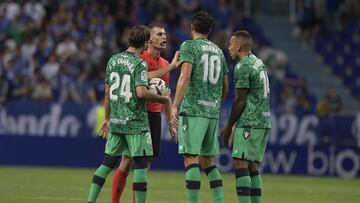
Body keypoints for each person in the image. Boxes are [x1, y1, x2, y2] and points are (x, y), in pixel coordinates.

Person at [87, 25, 170, 203]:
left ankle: (90, 200)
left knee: (106, 164)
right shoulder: (139, 63)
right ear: (147, 42)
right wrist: (163, 99)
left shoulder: (113, 60)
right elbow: (141, 93)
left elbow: (108, 94)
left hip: (117, 122)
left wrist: (107, 119)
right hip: (135, 123)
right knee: (141, 166)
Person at [111, 23, 179, 203]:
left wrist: (170, 118)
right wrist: (171, 67)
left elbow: (164, 95)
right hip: (137, 115)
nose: (164, 37)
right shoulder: (141, 58)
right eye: (159, 34)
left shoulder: (164, 63)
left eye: (165, 34)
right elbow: (145, 78)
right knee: (126, 162)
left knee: (145, 164)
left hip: (154, 115)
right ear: (149, 39)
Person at [171, 11, 229, 203]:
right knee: (208, 162)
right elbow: (226, 86)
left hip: (193, 110)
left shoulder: (189, 46)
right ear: (210, 31)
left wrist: (174, 105)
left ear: (192, 27)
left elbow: (185, 76)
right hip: (212, 112)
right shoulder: (219, 51)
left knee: (190, 158)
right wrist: (215, 105)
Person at [221, 30, 272, 203]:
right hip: (263, 119)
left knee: (240, 163)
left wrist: (228, 128)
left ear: (239, 46)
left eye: (231, 44)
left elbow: (239, 99)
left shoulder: (243, 66)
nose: (229, 48)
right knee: (252, 166)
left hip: (250, 121)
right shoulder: (259, 63)